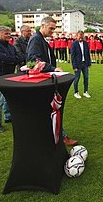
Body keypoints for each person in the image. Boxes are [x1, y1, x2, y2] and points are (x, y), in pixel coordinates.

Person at [26, 16, 78, 146]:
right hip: (41, 80)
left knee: (51, 109)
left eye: (54, 29)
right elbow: (32, 61)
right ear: (42, 25)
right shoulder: (36, 39)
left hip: (46, 78)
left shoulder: (41, 39)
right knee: (52, 109)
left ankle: (55, 136)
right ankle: (60, 136)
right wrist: (53, 68)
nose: (53, 31)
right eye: (51, 28)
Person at [0, 26, 20, 132]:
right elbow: (4, 58)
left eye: (9, 33)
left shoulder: (10, 46)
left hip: (10, 76)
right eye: (6, 33)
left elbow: (18, 57)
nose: (9, 35)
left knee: (8, 99)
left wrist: (12, 59)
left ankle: (7, 117)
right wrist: (12, 59)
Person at [71, 31, 91, 99]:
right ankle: (76, 92)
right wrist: (74, 66)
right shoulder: (74, 44)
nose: (81, 37)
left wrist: (89, 63)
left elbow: (87, 54)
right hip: (77, 64)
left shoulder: (85, 43)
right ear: (77, 36)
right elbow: (72, 56)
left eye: (82, 35)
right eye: (80, 35)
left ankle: (85, 91)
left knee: (86, 78)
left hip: (85, 64)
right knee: (77, 78)